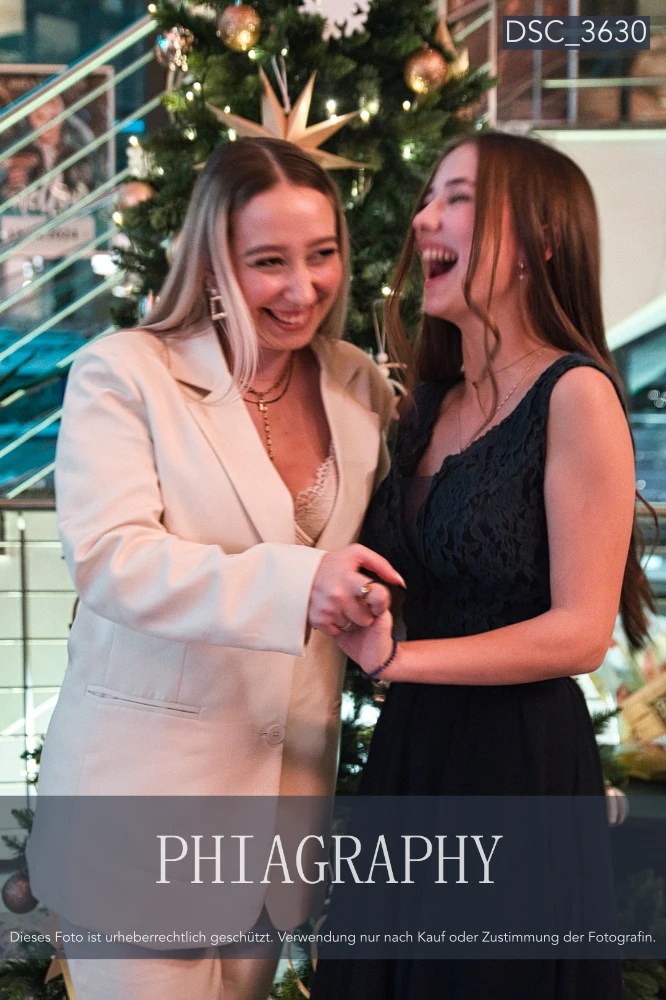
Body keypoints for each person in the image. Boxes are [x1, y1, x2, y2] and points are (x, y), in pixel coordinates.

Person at [26, 136, 403, 1000]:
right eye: (269, 261)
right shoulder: (126, 372)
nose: (302, 288)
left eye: (321, 254)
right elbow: (111, 559)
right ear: (212, 261)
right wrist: (300, 584)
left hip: (280, 830)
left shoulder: (358, 384)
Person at [311, 131, 654, 999]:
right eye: (429, 197)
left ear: (541, 240)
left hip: (517, 766)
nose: (423, 218)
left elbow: (581, 634)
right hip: (412, 753)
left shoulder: (575, 395)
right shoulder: (425, 406)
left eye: (458, 198)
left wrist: (399, 660)